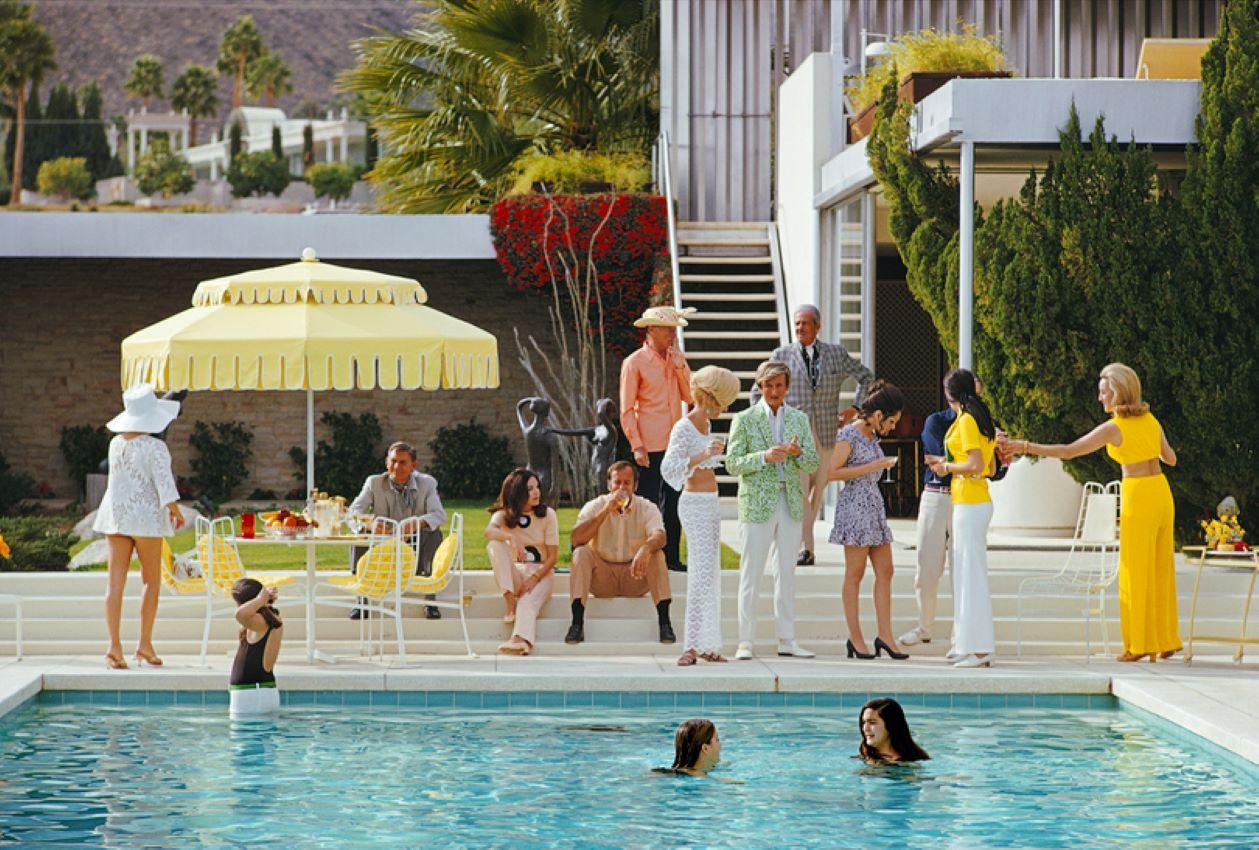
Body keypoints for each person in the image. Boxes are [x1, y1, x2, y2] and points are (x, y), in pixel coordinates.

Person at [1011, 363, 1181, 662]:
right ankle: (1166, 640)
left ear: (1118, 392)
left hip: (1138, 495)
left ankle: (1139, 645)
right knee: (1160, 568)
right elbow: (1171, 459)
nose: (1100, 398)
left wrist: (1024, 445)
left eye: (1104, 392)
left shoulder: (1114, 428)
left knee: (1135, 571)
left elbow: (1069, 451)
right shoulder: (1151, 420)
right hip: (1161, 494)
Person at [751, 304, 875, 566]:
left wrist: (855, 408)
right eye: (797, 324)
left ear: (817, 326)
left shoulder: (835, 354)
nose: (800, 328)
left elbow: (866, 377)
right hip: (795, 436)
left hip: (828, 433)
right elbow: (757, 390)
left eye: (805, 323)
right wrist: (765, 421)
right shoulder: (781, 354)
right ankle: (806, 548)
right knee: (799, 492)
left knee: (816, 494)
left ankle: (794, 539)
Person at [899, 376, 1009, 654]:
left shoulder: (976, 421)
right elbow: (939, 458)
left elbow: (988, 468)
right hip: (940, 495)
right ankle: (925, 627)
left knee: (963, 571)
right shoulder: (940, 422)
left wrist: (999, 453)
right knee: (928, 566)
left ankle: (962, 639)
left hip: (966, 498)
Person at [726, 360, 820, 660]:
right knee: (751, 574)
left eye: (779, 385)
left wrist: (797, 453)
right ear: (760, 387)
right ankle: (745, 642)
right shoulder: (744, 419)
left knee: (786, 574)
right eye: (768, 385)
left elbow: (813, 464)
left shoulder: (799, 419)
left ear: (787, 387)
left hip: (790, 502)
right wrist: (764, 456)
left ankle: (787, 640)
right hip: (756, 504)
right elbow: (732, 463)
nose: (774, 391)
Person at [93, 384, 186, 670]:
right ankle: (144, 645)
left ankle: (114, 648)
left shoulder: (115, 443)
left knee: (114, 585)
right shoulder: (156, 447)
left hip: (116, 517)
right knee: (151, 581)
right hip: (144, 518)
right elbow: (164, 484)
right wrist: (175, 511)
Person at [662, 365, 741, 666]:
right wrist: (705, 455)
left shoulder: (706, 426)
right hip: (693, 503)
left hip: (710, 502)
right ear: (710, 397)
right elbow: (670, 467)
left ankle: (708, 643)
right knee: (699, 574)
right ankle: (690, 646)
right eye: (723, 400)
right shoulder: (684, 427)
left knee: (711, 574)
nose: (726, 407)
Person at [827, 381, 908, 660]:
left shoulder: (873, 437)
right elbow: (831, 472)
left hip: (873, 507)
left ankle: (885, 636)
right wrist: (873, 466)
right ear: (877, 415)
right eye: (892, 421)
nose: (893, 427)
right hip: (854, 508)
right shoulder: (849, 434)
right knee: (856, 573)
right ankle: (856, 638)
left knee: (886, 571)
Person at [927, 369, 999, 668]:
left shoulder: (968, 421)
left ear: (948, 393)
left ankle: (980, 649)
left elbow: (976, 463)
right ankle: (968, 644)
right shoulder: (978, 420)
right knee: (966, 575)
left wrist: (946, 467)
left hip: (970, 502)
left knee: (970, 576)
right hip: (971, 500)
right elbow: (992, 468)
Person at [566, 460, 676, 647]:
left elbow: (660, 536)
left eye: (627, 482)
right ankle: (577, 623)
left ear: (635, 485)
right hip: (603, 578)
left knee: (657, 554)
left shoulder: (647, 507)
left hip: (635, 575)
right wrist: (604, 512)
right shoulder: (595, 505)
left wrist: (645, 549)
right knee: (580, 553)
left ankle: (665, 623)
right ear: (609, 484)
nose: (621, 487)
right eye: (617, 482)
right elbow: (576, 539)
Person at [619, 305, 696, 572]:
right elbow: (627, 409)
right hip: (648, 445)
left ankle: (671, 558)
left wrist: (681, 367)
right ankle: (641, 557)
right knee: (648, 504)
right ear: (651, 329)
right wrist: (636, 445)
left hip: (675, 445)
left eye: (675, 329)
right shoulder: (634, 363)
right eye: (668, 329)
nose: (673, 335)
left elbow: (691, 398)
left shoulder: (676, 359)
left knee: (674, 504)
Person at [348, 441, 446, 620]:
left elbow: (439, 515)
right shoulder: (374, 482)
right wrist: (370, 523)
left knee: (433, 533)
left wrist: (419, 522)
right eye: (393, 461)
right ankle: (361, 599)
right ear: (387, 463)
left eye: (403, 462)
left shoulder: (427, 483)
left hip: (413, 548)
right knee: (360, 534)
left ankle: (430, 600)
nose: (396, 467)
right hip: (381, 548)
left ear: (413, 465)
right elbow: (353, 513)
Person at [485, 468, 559, 655]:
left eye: (537, 487)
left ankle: (520, 640)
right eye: (529, 489)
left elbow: (553, 557)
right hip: (516, 574)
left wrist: (534, 578)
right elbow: (489, 532)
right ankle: (510, 600)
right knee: (495, 544)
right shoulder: (504, 514)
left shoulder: (547, 514)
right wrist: (509, 537)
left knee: (527, 601)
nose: (536, 493)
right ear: (517, 492)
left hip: (541, 574)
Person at [229, 578, 283, 718]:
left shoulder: (261, 622)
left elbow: (239, 614)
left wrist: (260, 599)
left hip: (253, 695)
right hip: (258, 693)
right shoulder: (268, 618)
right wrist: (265, 600)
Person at [652, 719, 738, 782]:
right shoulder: (713, 782)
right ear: (705, 748)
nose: (720, 745)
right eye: (717, 740)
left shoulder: (661, 772)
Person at [858, 698, 930, 763]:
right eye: (863, 722)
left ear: (891, 725)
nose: (865, 728)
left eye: (872, 722)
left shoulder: (915, 761)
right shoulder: (863, 759)